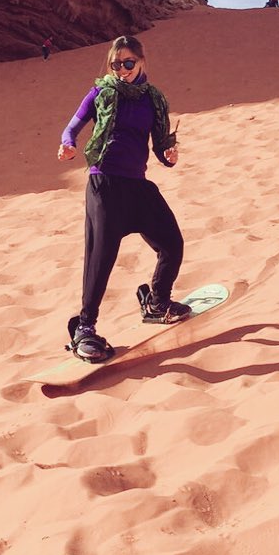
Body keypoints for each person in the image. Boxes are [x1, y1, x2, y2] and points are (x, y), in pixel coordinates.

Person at [57, 34, 190, 362]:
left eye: (128, 63)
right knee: (101, 258)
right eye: (116, 64)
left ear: (142, 62)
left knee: (172, 243)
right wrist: (68, 144)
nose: (121, 69)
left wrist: (168, 155)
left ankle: (157, 302)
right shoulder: (101, 92)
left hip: (138, 186)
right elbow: (72, 127)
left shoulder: (154, 100)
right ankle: (84, 328)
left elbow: (160, 145)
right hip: (105, 185)